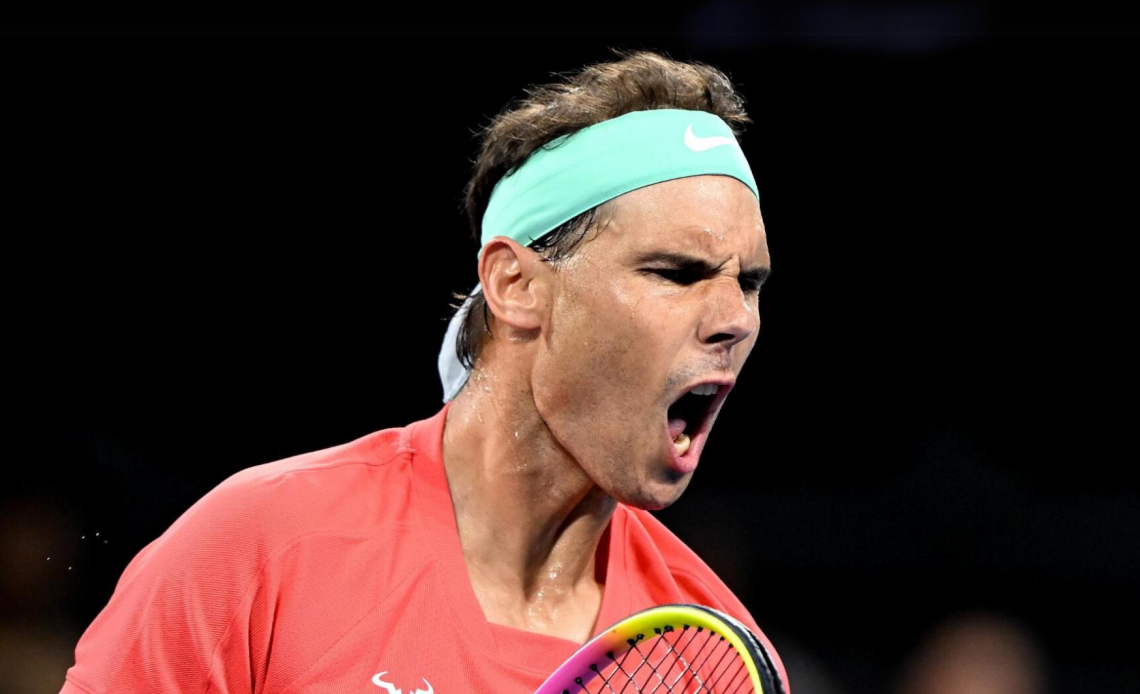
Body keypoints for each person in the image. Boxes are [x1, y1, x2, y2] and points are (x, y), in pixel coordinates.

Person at [60, 48, 789, 694]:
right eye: (675, 272)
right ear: (515, 285)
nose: (735, 318)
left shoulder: (713, 663)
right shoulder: (263, 547)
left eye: (749, 283)